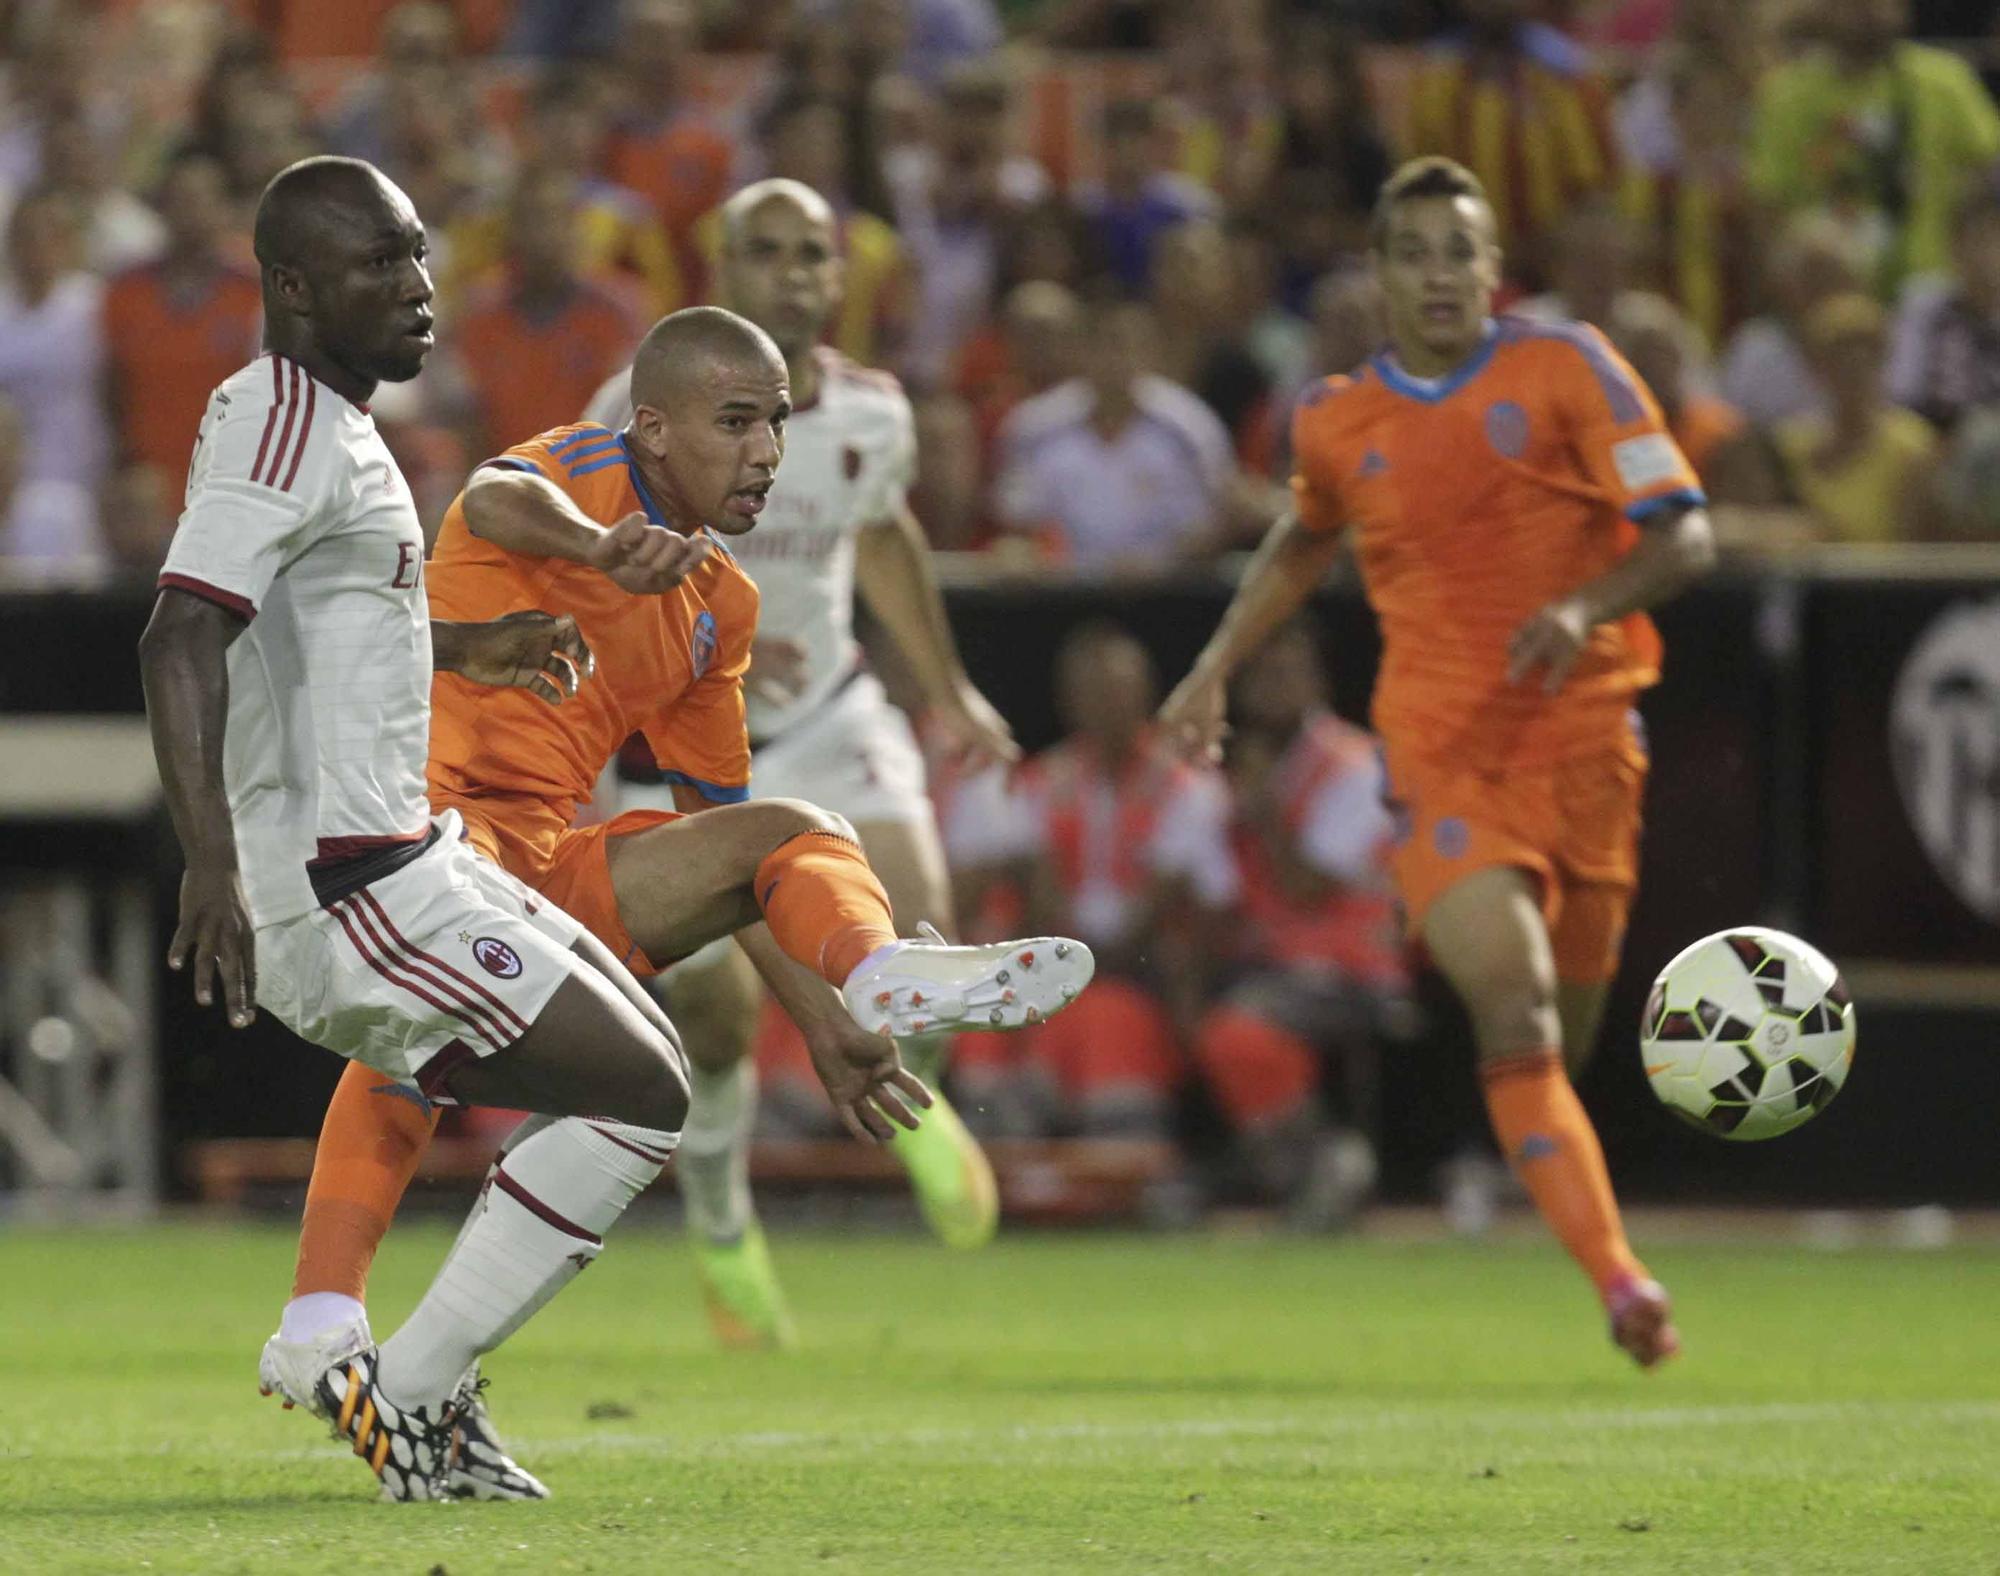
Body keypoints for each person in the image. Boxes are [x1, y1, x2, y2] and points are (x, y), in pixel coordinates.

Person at [260, 290, 1095, 1498]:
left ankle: (881, 971)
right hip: (411, 836)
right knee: (430, 1048)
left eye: (778, 427)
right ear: (654, 428)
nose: (765, 454)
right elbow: (490, 499)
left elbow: (719, 849)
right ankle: (363, 1346)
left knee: (787, 838)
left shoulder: (719, 608)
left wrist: (821, 1022)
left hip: (533, 863)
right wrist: (596, 547)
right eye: (737, 422)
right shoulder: (577, 475)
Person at [140, 156, 696, 1500]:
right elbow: (181, 634)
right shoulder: (283, 421)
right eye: (380, 263)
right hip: (351, 891)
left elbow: (299, 619)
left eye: (419, 256)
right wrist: (209, 860)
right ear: (289, 284)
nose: (419, 288)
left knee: (652, 1072)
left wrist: (466, 644)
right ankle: (415, 1398)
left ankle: (380, 1368)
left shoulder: (322, 424)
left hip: (404, 860)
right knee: (644, 1097)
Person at [1158, 157, 1716, 1369]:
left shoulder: (1567, 367)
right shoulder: (1336, 416)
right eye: (1410, 251)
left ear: (1488, 263)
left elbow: (1686, 534)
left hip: (1585, 748)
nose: (1436, 274)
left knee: (1557, 1038)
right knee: (1508, 1001)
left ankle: (1555, 1192)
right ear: (1378, 271)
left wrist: (1584, 605)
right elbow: (1298, 543)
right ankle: (1620, 1284)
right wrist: (1210, 668)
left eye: (1456, 250)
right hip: (1442, 756)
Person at [582, 180, 1030, 1340]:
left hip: (826, 714)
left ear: (841, 278)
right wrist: (702, 631)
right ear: (720, 271)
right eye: (763, 251)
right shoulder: (632, 402)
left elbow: (881, 534)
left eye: (810, 254)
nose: (790, 272)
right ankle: (722, 1223)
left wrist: (948, 689)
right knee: (721, 1024)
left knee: (915, 915)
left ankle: (912, 1099)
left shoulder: (873, 414)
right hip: (677, 741)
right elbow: (587, 567)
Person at [950, 622, 1230, 1141]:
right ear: (1069, 700)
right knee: (988, 1001)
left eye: (1119, 690)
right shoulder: (1037, 783)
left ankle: (1122, 1135)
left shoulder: (1188, 787)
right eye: (1092, 692)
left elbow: (1194, 910)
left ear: (1147, 693)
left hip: (1147, 973)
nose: (1106, 705)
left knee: (1109, 1012)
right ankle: (999, 1134)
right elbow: (1033, 896)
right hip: (1058, 966)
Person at [1190, 620, 1407, 1229]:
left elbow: (1305, 887)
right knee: (1183, 1002)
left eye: (1287, 673)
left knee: (1241, 1031)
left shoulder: (1356, 764)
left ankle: (1326, 1162)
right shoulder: (1239, 768)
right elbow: (1219, 890)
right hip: (1272, 963)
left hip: (1354, 968)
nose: (1271, 688)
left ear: (1316, 682)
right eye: (1260, 675)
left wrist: (1262, 808)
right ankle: (1244, 1166)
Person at [1750, 0, 2000, 296]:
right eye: (1854, 4)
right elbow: (1767, 206)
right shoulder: (1787, 95)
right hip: (1831, 302)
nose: (1868, 12)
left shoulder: (1945, 80)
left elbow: (1990, 174)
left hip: (1934, 291)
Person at [992, 295, 1236, 569]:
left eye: (1132, 345)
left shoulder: (1192, 426)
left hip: (1167, 593)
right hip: (1056, 593)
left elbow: (1213, 522)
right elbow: (1015, 520)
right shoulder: (1033, 425)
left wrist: (1159, 560)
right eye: (1106, 344)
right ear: (1081, 350)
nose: (1118, 358)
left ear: (1153, 352)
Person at [102, 152, 261, 499]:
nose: (193, 210)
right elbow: (109, 389)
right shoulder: (125, 293)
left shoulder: (253, 295)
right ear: (161, 207)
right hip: (146, 483)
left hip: (227, 481)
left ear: (227, 208)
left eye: (205, 199)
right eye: (181, 199)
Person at [1772, 292, 1942, 544]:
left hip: (1881, 581)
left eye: (1866, 357)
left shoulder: (1913, 447)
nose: (1853, 369)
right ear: (1817, 368)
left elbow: (1917, 544)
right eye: (1837, 359)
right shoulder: (1788, 445)